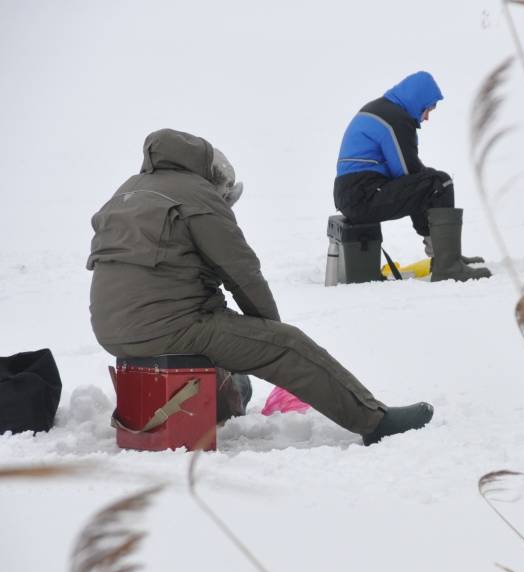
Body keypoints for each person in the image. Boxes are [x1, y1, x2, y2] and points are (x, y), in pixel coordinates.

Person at [87, 128, 433, 445]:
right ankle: (375, 422)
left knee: (220, 330)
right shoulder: (197, 195)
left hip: (112, 331)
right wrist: (269, 331)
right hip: (168, 326)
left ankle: (229, 395)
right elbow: (241, 272)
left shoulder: (127, 191)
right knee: (288, 345)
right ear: (204, 168)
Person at [333, 71, 492, 282]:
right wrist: (431, 182)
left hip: (356, 192)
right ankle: (447, 264)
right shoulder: (394, 119)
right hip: (361, 195)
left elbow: (410, 180)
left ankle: (445, 256)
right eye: (428, 109)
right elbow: (408, 172)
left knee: (430, 183)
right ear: (418, 101)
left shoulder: (383, 110)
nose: (426, 117)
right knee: (439, 183)